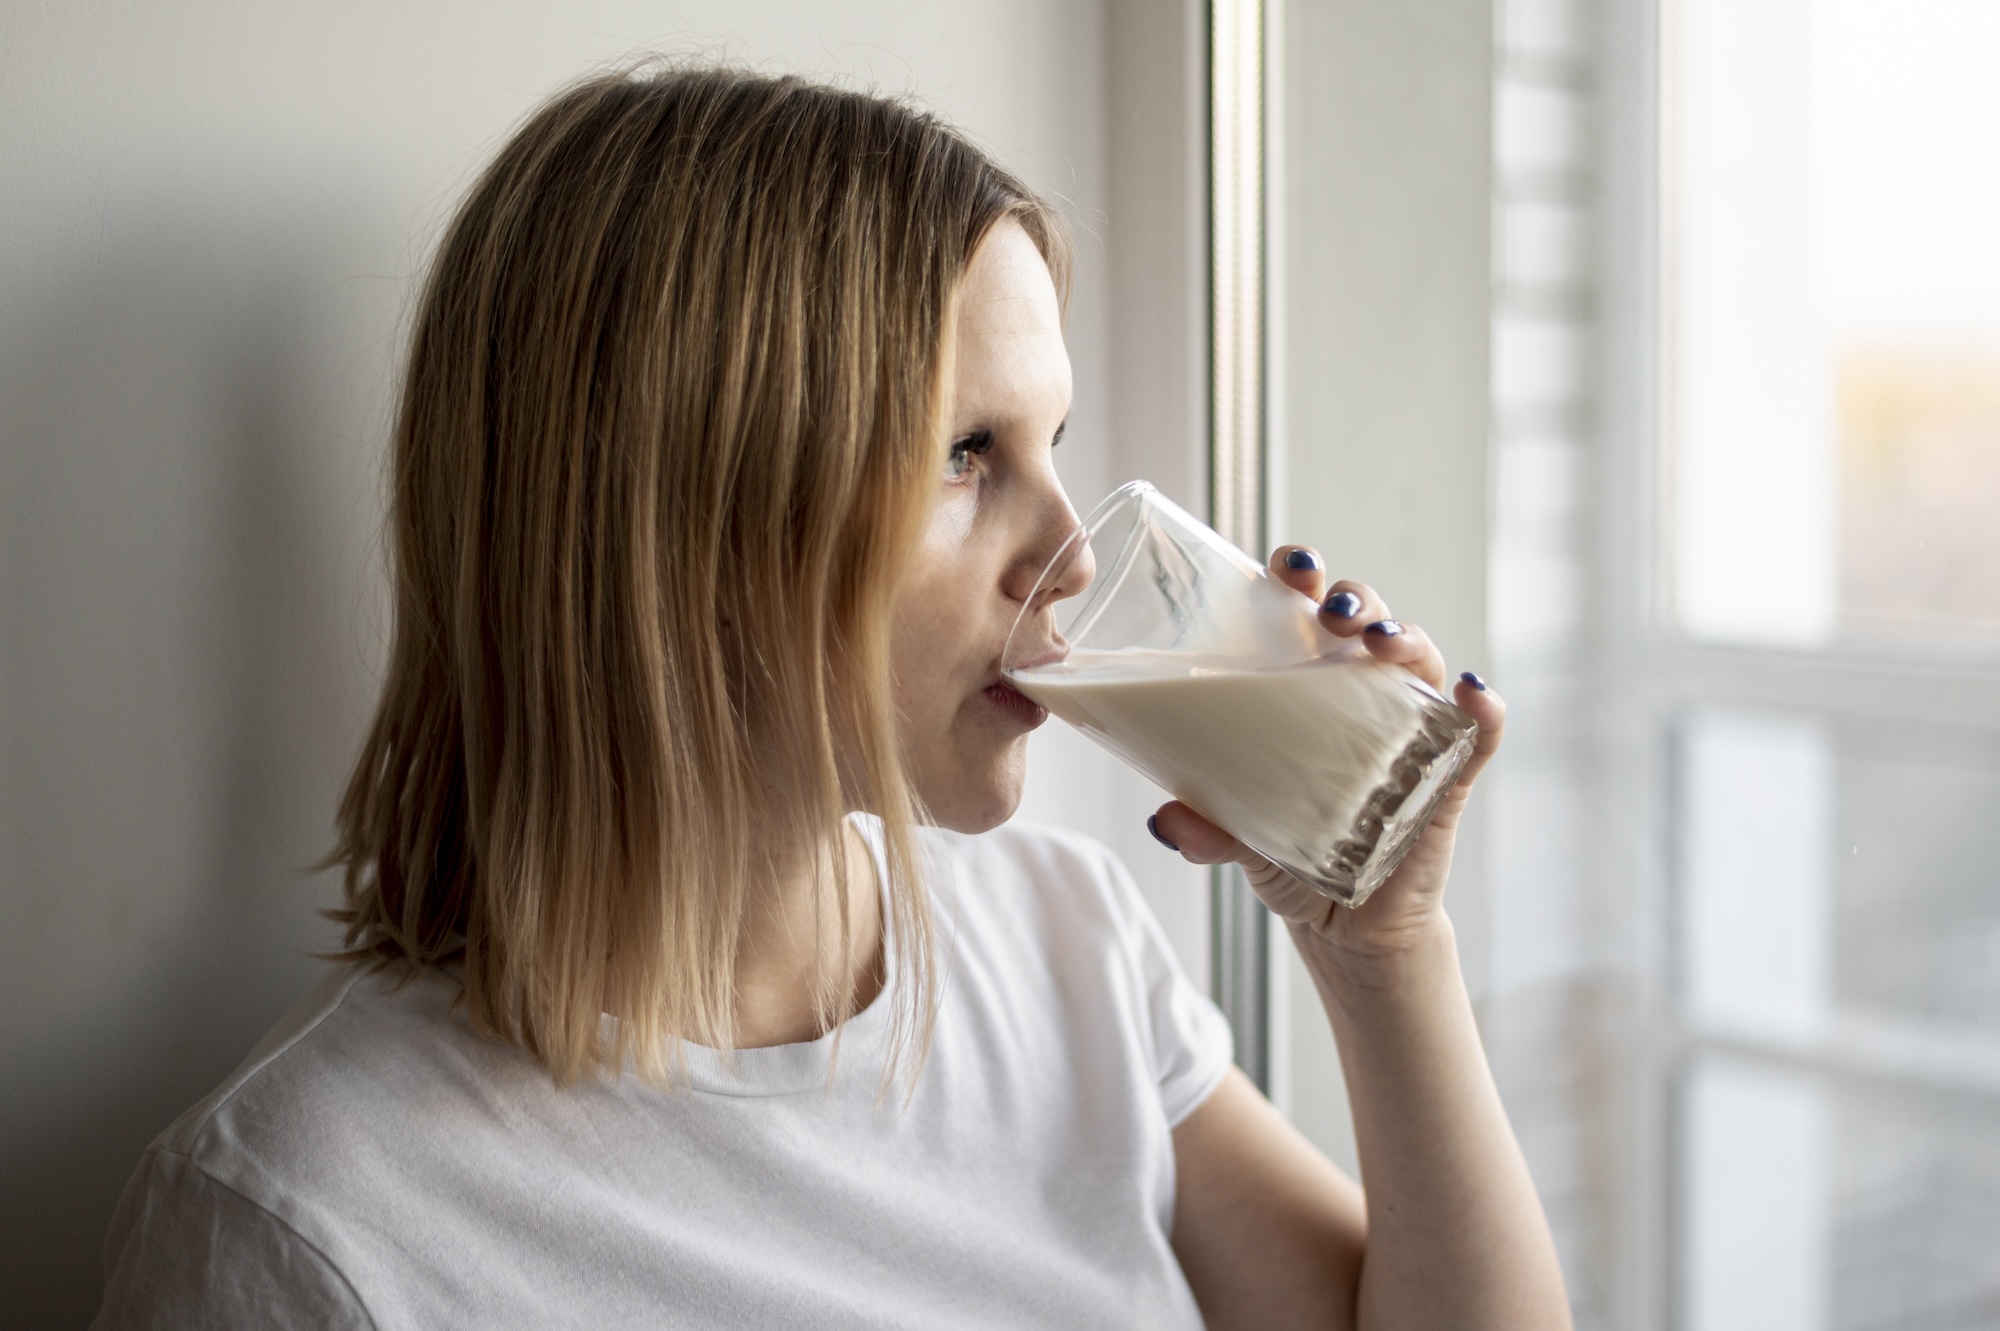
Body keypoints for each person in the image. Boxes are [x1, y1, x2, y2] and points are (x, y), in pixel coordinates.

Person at [93, 63, 1570, 1330]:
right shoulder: (309, 1225)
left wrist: (1388, 955)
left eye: (1053, 438)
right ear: (671, 523)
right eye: (964, 454)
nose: (1067, 556)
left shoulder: (1068, 953)